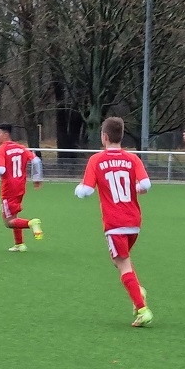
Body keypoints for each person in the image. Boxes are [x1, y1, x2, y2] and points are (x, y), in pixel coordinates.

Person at [75, 117, 154, 327]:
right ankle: (138, 290)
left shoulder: (96, 160)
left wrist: (78, 190)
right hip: (134, 221)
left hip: (114, 222)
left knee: (122, 264)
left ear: (104, 137)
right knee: (119, 260)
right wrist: (137, 188)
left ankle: (142, 309)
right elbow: (146, 184)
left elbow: (86, 191)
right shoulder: (132, 158)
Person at [0, 123, 43, 252]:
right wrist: (37, 178)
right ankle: (20, 244)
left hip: (8, 189)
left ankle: (31, 223)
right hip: (20, 187)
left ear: (6, 134)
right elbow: (36, 161)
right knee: (14, 215)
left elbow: (1, 170)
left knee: (8, 222)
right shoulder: (21, 148)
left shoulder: (0, 150)